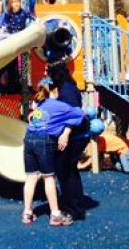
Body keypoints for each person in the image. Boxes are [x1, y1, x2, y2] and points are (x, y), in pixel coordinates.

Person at [22, 80, 85, 226]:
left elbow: (33, 118)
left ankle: (27, 213)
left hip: (29, 139)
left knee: (31, 177)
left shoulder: (39, 105)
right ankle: (56, 214)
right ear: (55, 90)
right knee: (48, 177)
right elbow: (80, 114)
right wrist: (67, 128)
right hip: (45, 140)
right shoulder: (59, 105)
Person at [48, 61, 91, 220]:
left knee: (66, 170)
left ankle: (73, 208)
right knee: (68, 170)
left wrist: (65, 134)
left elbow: (74, 114)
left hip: (74, 136)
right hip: (77, 135)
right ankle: (74, 205)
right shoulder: (68, 88)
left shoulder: (67, 91)